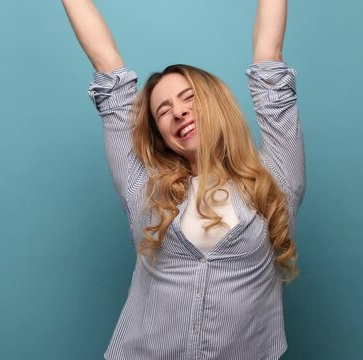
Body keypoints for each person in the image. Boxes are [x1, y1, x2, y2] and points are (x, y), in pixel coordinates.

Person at [61, 0, 305, 358]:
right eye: (163, 110)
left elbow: (268, 55)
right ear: (160, 133)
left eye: (189, 98)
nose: (178, 111)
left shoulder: (276, 179)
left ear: (215, 104)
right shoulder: (143, 188)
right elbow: (107, 66)